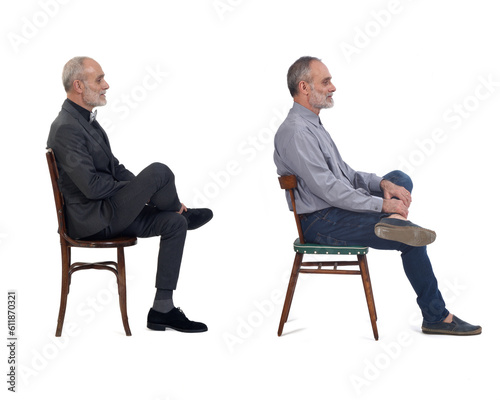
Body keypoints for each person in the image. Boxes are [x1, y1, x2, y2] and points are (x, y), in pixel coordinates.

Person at [274, 56, 481, 335]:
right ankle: (436, 316)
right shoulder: (297, 131)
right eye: (326, 82)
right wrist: (380, 203)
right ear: (304, 87)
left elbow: (346, 175)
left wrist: (383, 185)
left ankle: (394, 220)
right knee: (411, 240)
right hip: (321, 221)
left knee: (400, 179)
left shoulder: (312, 125)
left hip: (335, 209)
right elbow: (330, 190)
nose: (333, 87)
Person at [47, 57, 212, 333]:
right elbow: (91, 187)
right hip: (92, 220)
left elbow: (115, 168)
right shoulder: (66, 128)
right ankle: (178, 208)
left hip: (109, 212)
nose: (106, 85)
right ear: (78, 85)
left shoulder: (87, 122)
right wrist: (145, 191)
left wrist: (142, 191)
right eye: (99, 80)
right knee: (160, 171)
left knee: (174, 224)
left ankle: (162, 309)